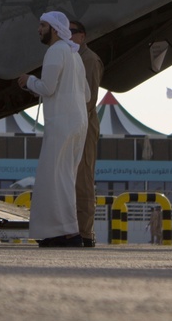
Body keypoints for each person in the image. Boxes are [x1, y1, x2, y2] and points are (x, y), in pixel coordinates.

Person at [17, 11, 89, 248]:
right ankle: (62, 232)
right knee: (64, 177)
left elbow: (47, 87)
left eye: (43, 25)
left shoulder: (56, 51)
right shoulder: (74, 55)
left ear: (55, 29)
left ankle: (66, 233)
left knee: (54, 178)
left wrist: (28, 81)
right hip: (78, 123)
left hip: (62, 123)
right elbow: (87, 94)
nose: (39, 29)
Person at [70, 19, 103, 248]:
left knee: (83, 178)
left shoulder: (89, 59)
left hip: (84, 124)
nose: (68, 35)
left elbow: (89, 101)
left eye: (72, 32)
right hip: (74, 123)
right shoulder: (72, 57)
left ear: (82, 36)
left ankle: (85, 231)